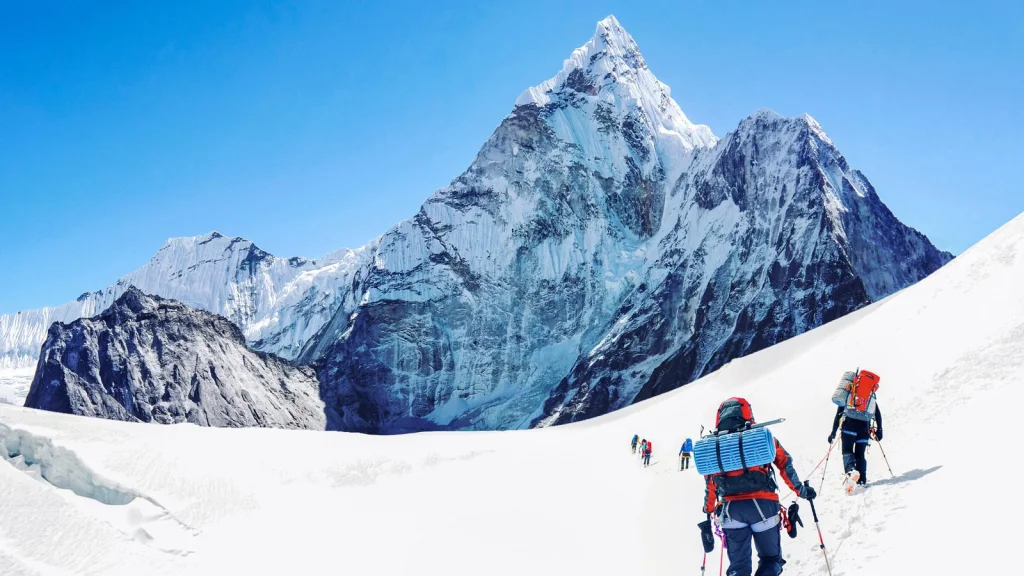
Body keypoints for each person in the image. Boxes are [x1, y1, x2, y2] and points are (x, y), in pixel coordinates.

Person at [701, 398, 815, 576]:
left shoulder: (715, 447)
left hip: (731, 511)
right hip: (763, 507)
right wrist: (802, 491)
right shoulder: (761, 438)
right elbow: (785, 464)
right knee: (771, 560)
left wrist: (708, 511)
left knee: (739, 567)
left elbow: (710, 483)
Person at [828, 401, 883, 487]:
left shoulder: (849, 394)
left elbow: (839, 413)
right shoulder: (869, 395)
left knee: (847, 451)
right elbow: (877, 412)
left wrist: (833, 432)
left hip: (849, 427)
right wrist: (879, 430)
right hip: (864, 429)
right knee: (860, 455)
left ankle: (851, 471)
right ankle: (861, 480)